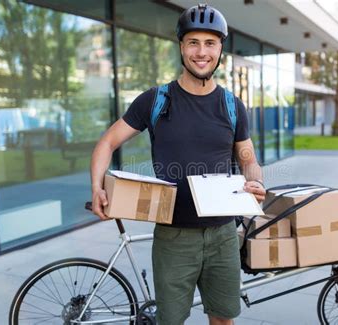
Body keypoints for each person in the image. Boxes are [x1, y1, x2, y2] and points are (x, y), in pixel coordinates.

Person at [90, 4, 265, 325]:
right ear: (182, 47)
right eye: (193, 42)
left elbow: (247, 158)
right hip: (173, 237)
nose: (202, 52)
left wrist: (256, 182)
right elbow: (107, 143)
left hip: (224, 235)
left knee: (224, 319)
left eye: (210, 43)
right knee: (170, 322)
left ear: (220, 48)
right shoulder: (155, 100)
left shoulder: (232, 105)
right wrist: (97, 187)